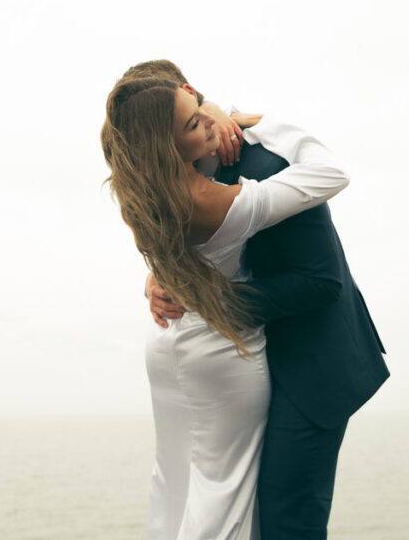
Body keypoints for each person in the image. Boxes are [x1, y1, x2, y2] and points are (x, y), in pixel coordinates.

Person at [139, 61, 390, 540]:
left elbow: (321, 281)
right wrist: (157, 278)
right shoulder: (181, 171)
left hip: (310, 364)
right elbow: (190, 243)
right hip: (246, 367)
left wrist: (209, 305)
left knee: (287, 520)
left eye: (197, 106)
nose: (204, 122)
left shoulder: (267, 163)